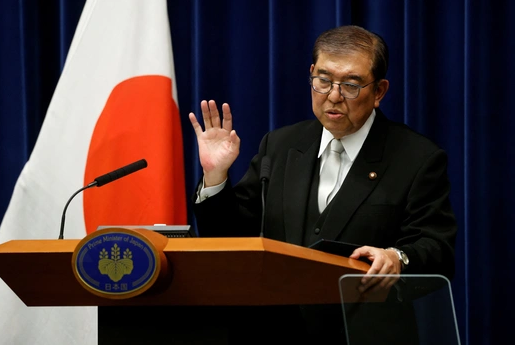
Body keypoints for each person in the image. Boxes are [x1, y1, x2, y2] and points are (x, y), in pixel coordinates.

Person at [188, 25, 457, 344]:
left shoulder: (416, 158)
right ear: (312, 74)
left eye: (352, 85)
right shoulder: (281, 145)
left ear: (379, 91)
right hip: (276, 333)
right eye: (324, 80)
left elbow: (436, 246)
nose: (333, 95)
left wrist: (397, 256)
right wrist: (216, 177)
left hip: (364, 333)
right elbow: (230, 238)